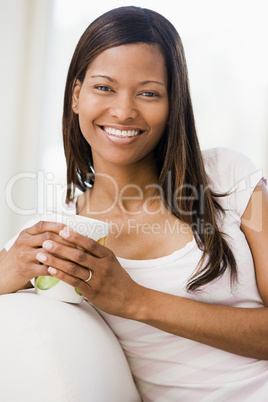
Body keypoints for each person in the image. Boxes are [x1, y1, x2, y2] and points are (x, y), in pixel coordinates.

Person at [1, 5, 268, 401]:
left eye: (148, 93)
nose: (124, 111)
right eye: (104, 87)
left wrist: (134, 300)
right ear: (77, 96)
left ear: (172, 103)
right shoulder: (55, 236)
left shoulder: (228, 176)